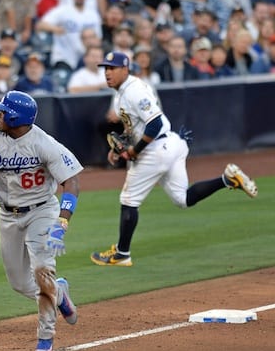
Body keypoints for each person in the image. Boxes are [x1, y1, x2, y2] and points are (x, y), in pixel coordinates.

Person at [90, 52, 258, 267]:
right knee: (182, 199)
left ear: (126, 69)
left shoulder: (134, 91)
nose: (107, 73)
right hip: (171, 145)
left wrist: (134, 152)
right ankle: (227, 179)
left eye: (112, 68)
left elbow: (154, 125)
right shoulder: (121, 92)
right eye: (105, 68)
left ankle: (122, 254)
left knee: (129, 200)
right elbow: (134, 125)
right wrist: (120, 145)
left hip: (156, 149)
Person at [0, 90, 81, 351]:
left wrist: (62, 220)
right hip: (7, 215)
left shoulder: (44, 144)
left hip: (42, 211)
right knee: (18, 282)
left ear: (16, 118)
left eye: (3, 111)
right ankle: (60, 294)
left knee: (42, 271)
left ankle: (46, 337)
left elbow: (71, 181)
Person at [36, 0, 102, 72]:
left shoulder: (93, 14)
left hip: (86, 59)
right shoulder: (63, 11)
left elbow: (98, 38)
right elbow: (40, 25)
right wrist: (55, 29)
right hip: (64, 57)